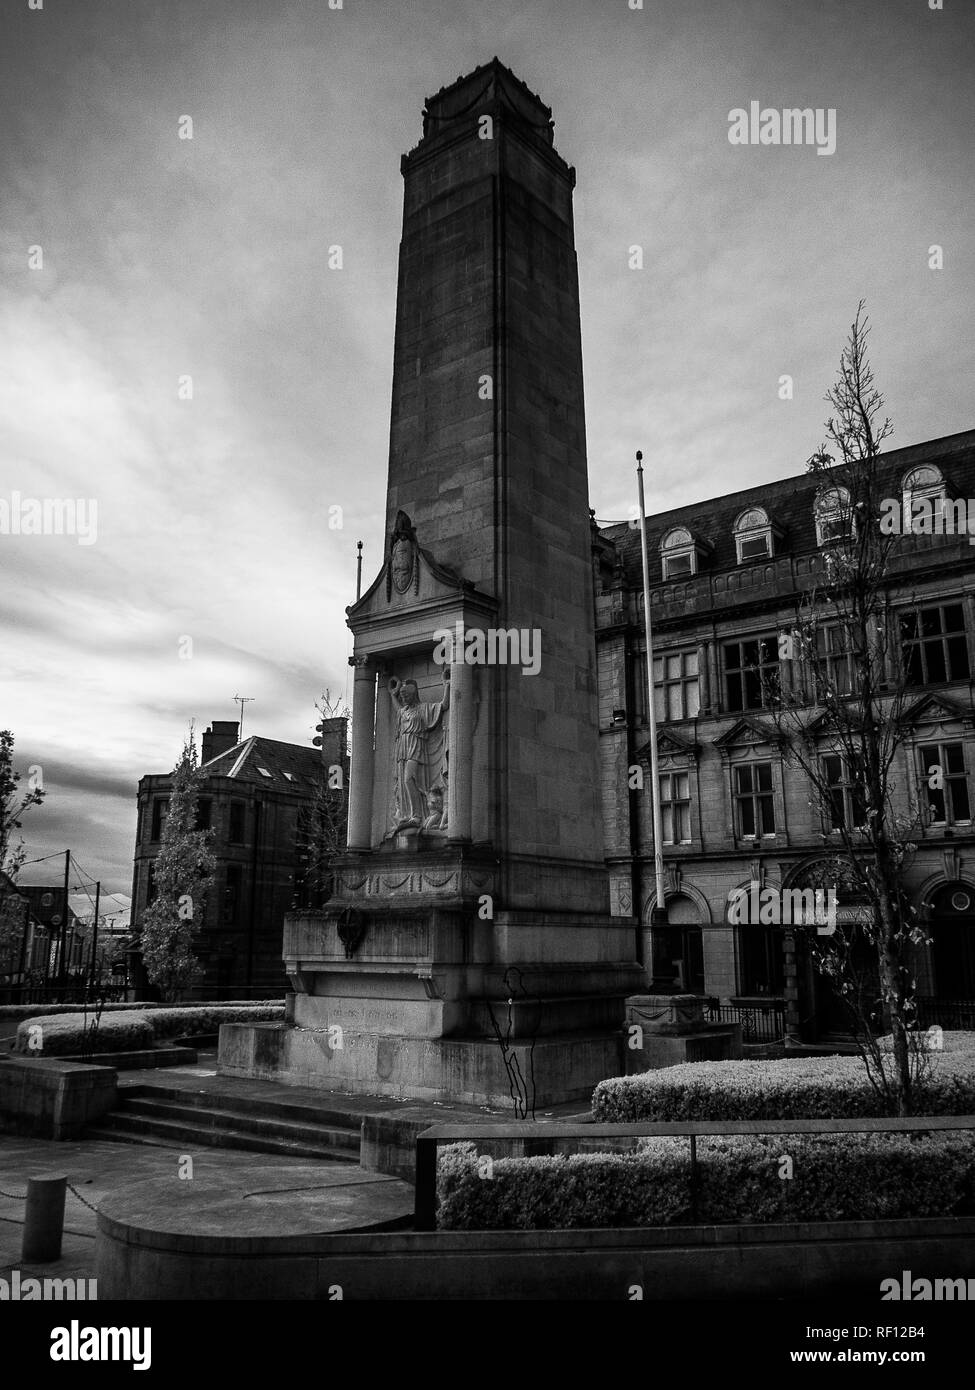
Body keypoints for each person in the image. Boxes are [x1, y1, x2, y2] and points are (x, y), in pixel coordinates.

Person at [388, 669, 449, 831]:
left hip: (416, 744)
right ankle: (409, 814)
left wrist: (448, 685)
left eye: (406, 696)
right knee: (403, 781)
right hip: (403, 746)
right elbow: (398, 709)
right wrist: (393, 695)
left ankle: (417, 815)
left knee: (409, 778)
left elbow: (443, 706)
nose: (404, 699)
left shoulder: (423, 709)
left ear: (413, 694)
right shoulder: (403, 711)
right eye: (402, 697)